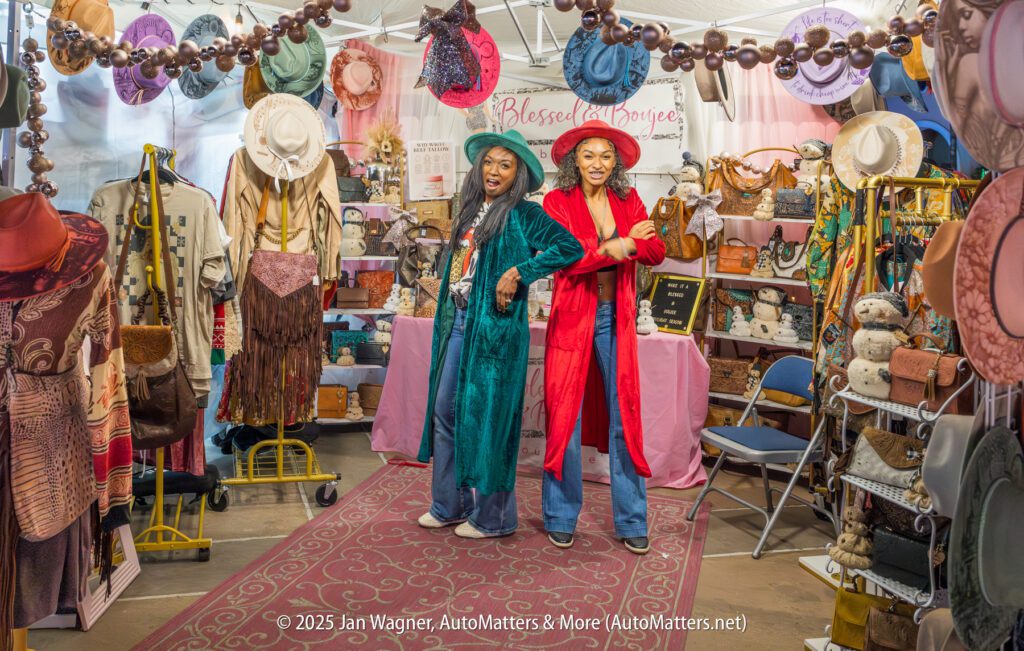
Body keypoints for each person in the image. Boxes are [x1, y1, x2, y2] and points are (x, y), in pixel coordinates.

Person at [416, 130, 583, 539]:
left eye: (505, 165)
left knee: (492, 420)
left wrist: (520, 272)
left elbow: (570, 247)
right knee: (445, 413)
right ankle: (450, 504)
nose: (494, 170)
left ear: (518, 174)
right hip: (458, 323)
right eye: (489, 162)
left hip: (495, 332)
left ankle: (495, 517)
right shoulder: (470, 210)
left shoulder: (525, 214)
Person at [541, 120, 666, 554]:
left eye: (606, 155)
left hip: (617, 317)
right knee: (565, 416)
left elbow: (656, 250)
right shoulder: (557, 201)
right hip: (572, 317)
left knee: (624, 414)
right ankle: (560, 516)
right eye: (589, 154)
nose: (597, 163)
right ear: (575, 160)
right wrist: (624, 244)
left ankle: (632, 520)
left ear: (616, 163)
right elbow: (568, 258)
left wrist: (622, 245)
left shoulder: (628, 200)